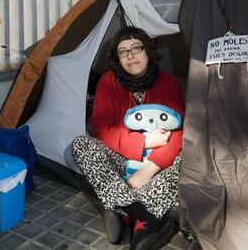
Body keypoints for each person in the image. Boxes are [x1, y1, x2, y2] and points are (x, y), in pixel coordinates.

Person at [71, 26, 185, 250]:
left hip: (160, 162)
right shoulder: (108, 81)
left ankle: (119, 208)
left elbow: (179, 132)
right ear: (117, 59)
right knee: (81, 145)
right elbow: (100, 127)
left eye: (136, 48)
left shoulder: (168, 82)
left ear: (147, 51)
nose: (131, 55)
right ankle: (140, 212)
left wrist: (149, 168)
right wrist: (143, 142)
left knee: (191, 155)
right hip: (123, 158)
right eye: (123, 52)